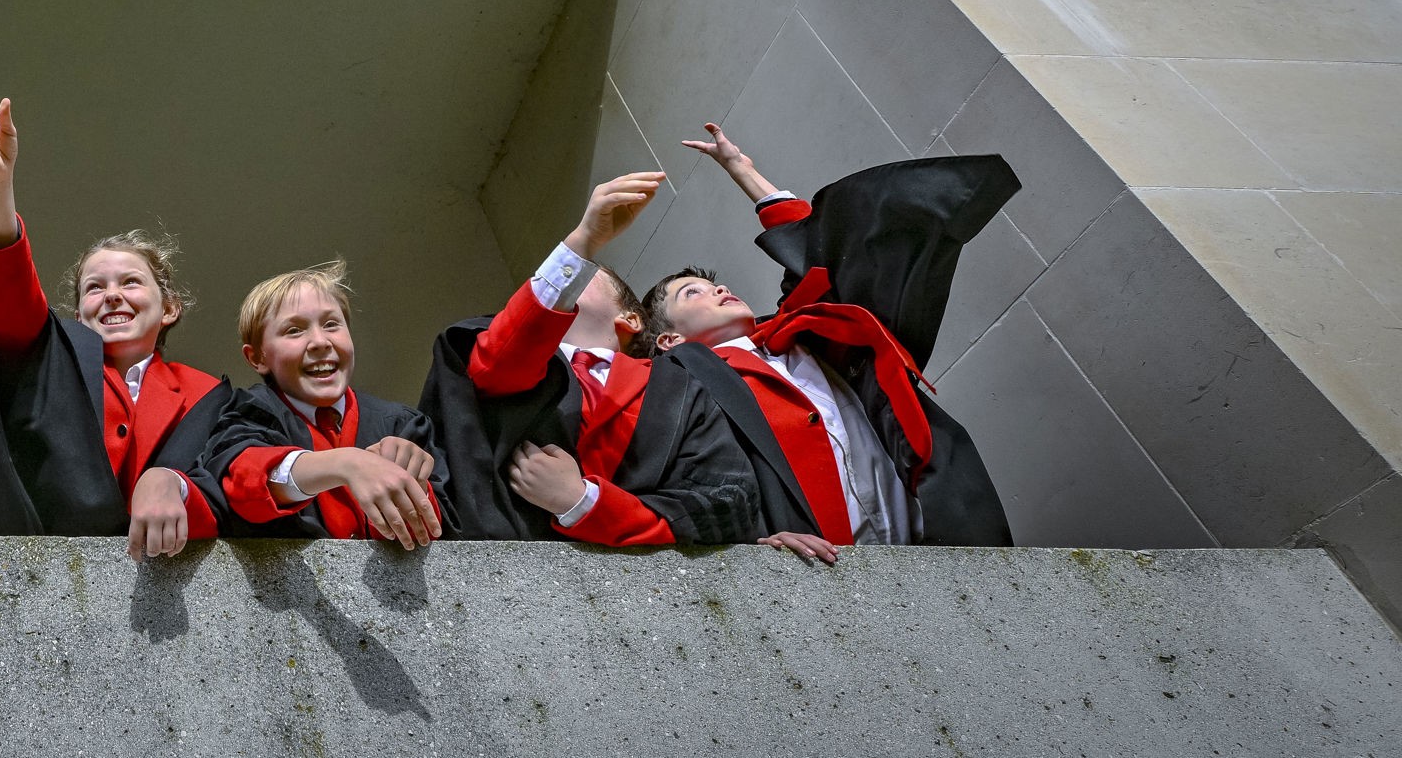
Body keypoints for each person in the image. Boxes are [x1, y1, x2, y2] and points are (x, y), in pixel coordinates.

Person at [644, 124, 1021, 559]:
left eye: (715, 285)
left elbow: (819, 254)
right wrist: (747, 545)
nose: (717, 290)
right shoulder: (683, 393)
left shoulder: (808, 333)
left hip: (930, 539)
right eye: (692, 293)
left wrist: (742, 170)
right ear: (669, 340)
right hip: (826, 563)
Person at [0, 73, 229, 558]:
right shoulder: (49, 370)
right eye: (94, 288)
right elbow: (11, 300)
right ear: (77, 315)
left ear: (171, 308)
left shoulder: (209, 394)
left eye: (131, 282)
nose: (112, 296)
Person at [418, 172, 760, 548]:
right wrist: (582, 243)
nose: (557, 278)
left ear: (631, 318)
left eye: (588, 272)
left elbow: (722, 501)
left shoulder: (684, 388)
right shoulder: (507, 353)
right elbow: (501, 361)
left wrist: (583, 502)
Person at [201, 262, 444, 546]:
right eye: (294, 330)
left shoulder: (400, 424)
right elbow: (244, 479)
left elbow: (447, 532)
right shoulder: (248, 412)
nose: (319, 341)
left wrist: (413, 484)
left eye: (331, 324)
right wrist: (346, 463)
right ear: (258, 358)